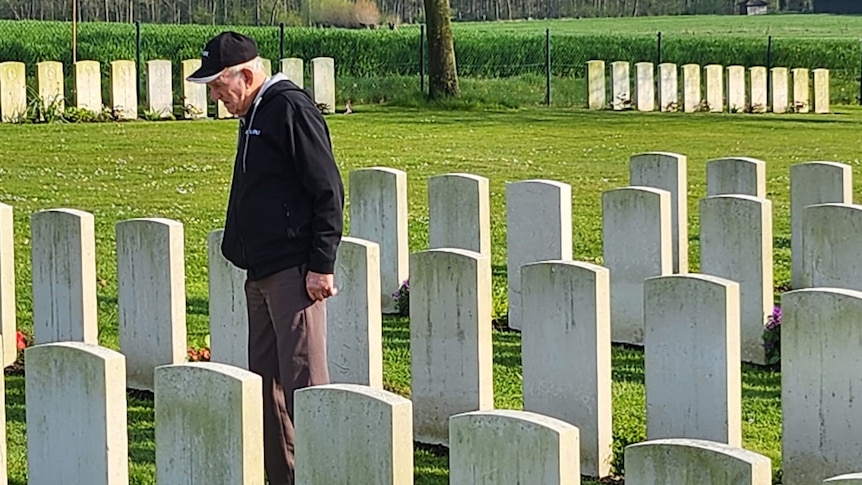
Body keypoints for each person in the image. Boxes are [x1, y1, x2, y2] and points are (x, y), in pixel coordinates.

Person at [187, 31, 344, 484]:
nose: (216, 97)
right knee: (267, 392)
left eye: (219, 86)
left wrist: (321, 264)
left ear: (249, 74)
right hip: (259, 271)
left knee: (303, 387)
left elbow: (327, 190)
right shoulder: (255, 111)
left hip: (293, 272)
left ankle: (321, 475)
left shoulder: (289, 109)